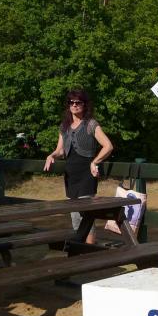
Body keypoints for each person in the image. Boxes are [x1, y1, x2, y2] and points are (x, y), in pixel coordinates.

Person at [44, 90, 114, 244]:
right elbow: (61, 150)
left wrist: (95, 161)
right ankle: (80, 250)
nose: (74, 105)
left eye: (78, 102)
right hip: (70, 176)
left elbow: (108, 146)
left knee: (86, 215)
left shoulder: (91, 124)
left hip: (87, 175)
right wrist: (51, 155)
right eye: (71, 102)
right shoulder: (64, 126)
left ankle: (90, 251)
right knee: (75, 215)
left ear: (84, 104)